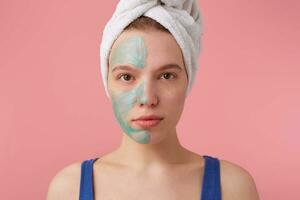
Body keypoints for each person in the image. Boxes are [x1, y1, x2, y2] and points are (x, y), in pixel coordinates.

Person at [47, 1, 260, 200]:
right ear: (107, 84)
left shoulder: (232, 187)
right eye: (127, 77)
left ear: (188, 80)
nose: (148, 98)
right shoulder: (68, 189)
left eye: (166, 76)